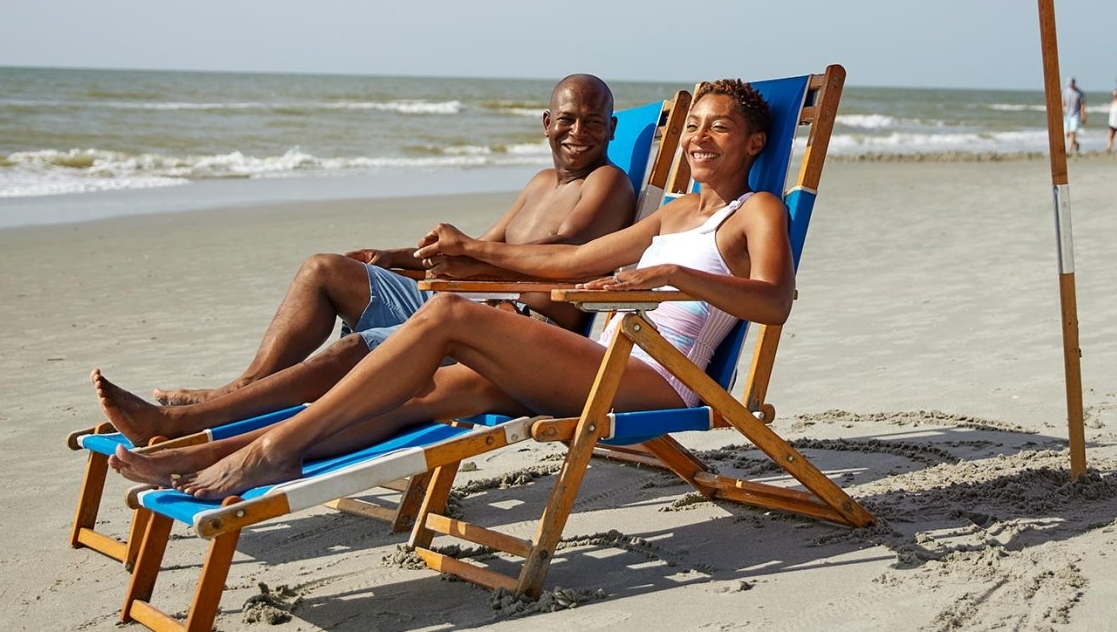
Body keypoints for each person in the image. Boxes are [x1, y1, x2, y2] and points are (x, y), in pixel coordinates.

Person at [103, 79, 795, 501]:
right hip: (608, 360)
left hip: (659, 377)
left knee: (447, 316)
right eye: (696, 125)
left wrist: (673, 275)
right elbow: (571, 259)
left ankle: (268, 451)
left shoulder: (757, 211)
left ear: (754, 142)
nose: (701, 136)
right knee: (416, 395)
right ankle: (208, 451)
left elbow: (774, 302)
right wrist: (454, 252)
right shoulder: (674, 211)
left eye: (720, 126)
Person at [91, 75, 635, 446]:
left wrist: (466, 256)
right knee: (323, 270)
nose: (578, 132)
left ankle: (179, 422)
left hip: (513, 335)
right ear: (546, 122)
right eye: (567, 119)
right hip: (464, 302)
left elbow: (563, 255)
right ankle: (245, 387)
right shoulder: (540, 182)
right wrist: (398, 257)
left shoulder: (609, 182)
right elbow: (483, 248)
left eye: (593, 122)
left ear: (611, 130)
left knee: (358, 348)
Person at [1063, 77, 1085, 154]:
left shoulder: (1080, 93)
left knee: (1073, 132)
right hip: (1066, 115)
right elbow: (1063, 102)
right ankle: (1076, 144)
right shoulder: (1065, 91)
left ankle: (1069, 150)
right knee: (1067, 133)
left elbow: (1082, 105)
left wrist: (1083, 116)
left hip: (1075, 114)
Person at [1105, 83, 1117, 152]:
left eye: (1116, 94)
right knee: (1110, 136)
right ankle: (1109, 148)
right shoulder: (1113, 102)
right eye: (1114, 94)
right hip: (1112, 122)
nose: (1114, 96)